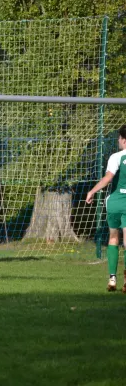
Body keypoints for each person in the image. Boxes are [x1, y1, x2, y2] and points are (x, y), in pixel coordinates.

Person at [86, 124, 126, 292]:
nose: (118, 141)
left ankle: (112, 279)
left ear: (124, 140)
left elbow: (108, 178)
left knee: (113, 239)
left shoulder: (117, 157)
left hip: (115, 202)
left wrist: (92, 191)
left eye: (118, 138)